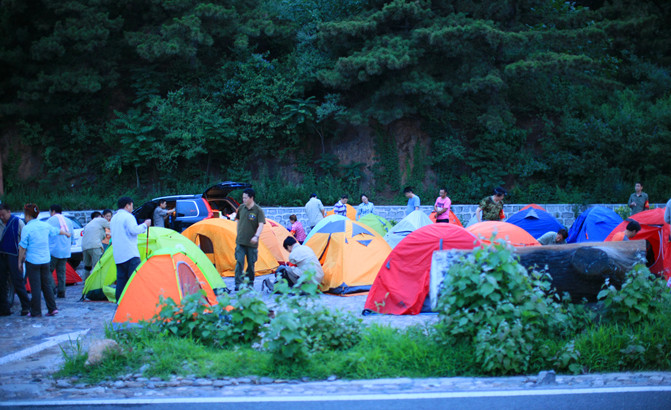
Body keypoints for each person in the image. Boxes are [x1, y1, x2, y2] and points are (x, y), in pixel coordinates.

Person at [18, 204, 70, 317]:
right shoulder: (44, 225)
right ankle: (52, 308)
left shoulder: (27, 228)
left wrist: (20, 262)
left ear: (27, 215)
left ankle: (36, 311)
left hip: (33, 261)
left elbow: (22, 247)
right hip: (45, 260)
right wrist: (66, 233)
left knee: (35, 287)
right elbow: (57, 231)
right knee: (46, 285)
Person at [110, 197, 150, 302]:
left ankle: (120, 302)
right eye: (132, 205)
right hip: (130, 253)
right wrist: (145, 225)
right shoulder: (128, 217)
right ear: (128, 205)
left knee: (121, 280)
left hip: (118, 254)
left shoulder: (114, 218)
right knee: (134, 279)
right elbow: (134, 230)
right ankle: (135, 301)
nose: (132, 208)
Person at [0, 203, 30, 316]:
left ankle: (26, 307)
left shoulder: (18, 222)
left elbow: (24, 241)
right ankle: (4, 308)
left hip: (14, 255)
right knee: (2, 283)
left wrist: (22, 258)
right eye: (0, 215)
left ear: (9, 212)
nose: (2, 217)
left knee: (17, 281)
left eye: (3, 215)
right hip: (1, 255)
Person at [234, 188, 265, 291]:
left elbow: (261, 225)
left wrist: (256, 236)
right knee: (239, 262)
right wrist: (238, 231)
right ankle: (238, 284)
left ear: (251, 198)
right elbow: (237, 220)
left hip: (252, 243)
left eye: (245, 198)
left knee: (251, 264)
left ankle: (249, 283)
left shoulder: (258, 210)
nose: (243, 199)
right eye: (243, 197)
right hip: (240, 241)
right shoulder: (241, 208)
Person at [47, 204, 74, 298]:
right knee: (61, 272)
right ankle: (61, 291)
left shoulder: (50, 220)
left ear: (53, 211)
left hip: (53, 250)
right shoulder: (68, 221)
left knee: (47, 270)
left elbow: (46, 234)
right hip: (65, 251)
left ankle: (53, 286)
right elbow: (72, 236)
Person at [81, 210, 111, 281]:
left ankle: (85, 283)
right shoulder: (100, 220)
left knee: (87, 266)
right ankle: (97, 285)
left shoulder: (88, 224)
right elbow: (112, 226)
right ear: (101, 216)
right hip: (95, 246)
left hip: (84, 247)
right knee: (97, 266)